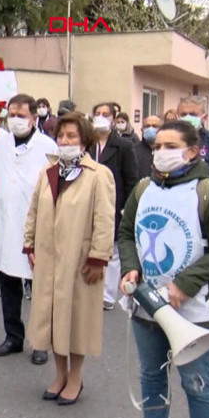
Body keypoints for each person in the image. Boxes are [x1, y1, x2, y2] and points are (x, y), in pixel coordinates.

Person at [118, 120, 209, 418]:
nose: (161, 153)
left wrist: (184, 285)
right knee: (152, 381)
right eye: (157, 147)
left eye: (170, 147)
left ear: (193, 151)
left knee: (197, 385)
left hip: (193, 309)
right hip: (147, 306)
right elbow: (127, 233)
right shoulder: (143, 188)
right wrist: (130, 266)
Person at [23, 112, 116, 406]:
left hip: (80, 260)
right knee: (51, 318)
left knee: (76, 321)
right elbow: (34, 211)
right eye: (61, 136)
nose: (65, 141)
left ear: (84, 139)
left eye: (72, 136)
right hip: (49, 259)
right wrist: (29, 244)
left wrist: (98, 258)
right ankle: (59, 373)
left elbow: (105, 220)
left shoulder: (98, 175)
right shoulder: (48, 172)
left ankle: (75, 376)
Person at [0, 94, 58, 365]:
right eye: (11, 114)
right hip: (5, 222)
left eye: (21, 115)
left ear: (33, 117)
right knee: (8, 282)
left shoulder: (48, 147)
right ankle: (13, 336)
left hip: (36, 224)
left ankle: (41, 342)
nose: (15, 120)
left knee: (39, 286)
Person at [89, 102, 138, 311]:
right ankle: (90, 290)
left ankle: (107, 295)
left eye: (105, 114)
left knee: (113, 250)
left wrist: (127, 207)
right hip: (89, 201)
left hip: (114, 203)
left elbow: (130, 179)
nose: (101, 117)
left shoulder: (123, 146)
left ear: (113, 118)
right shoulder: (87, 143)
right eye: (97, 113)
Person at [176, 95, 209, 181]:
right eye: (183, 114)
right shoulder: (167, 142)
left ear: (204, 117)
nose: (187, 118)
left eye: (193, 114)